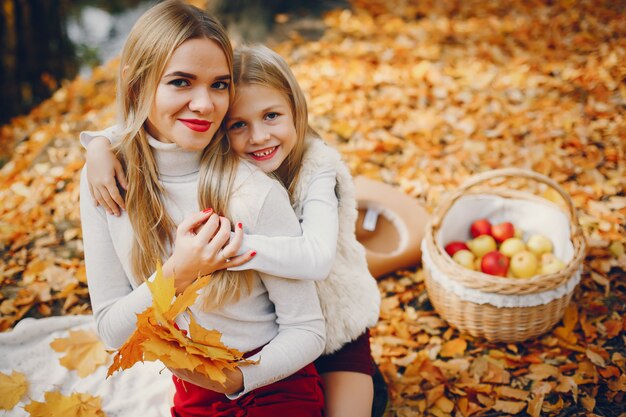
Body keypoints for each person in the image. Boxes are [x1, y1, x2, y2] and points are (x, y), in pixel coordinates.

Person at [84, 44, 387, 417]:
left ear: (296, 111)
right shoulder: (227, 171)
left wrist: (234, 246)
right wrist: (99, 144)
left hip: (337, 325)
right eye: (238, 125)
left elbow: (317, 259)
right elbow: (159, 115)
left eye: (272, 116)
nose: (259, 137)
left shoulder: (316, 167)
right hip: (274, 332)